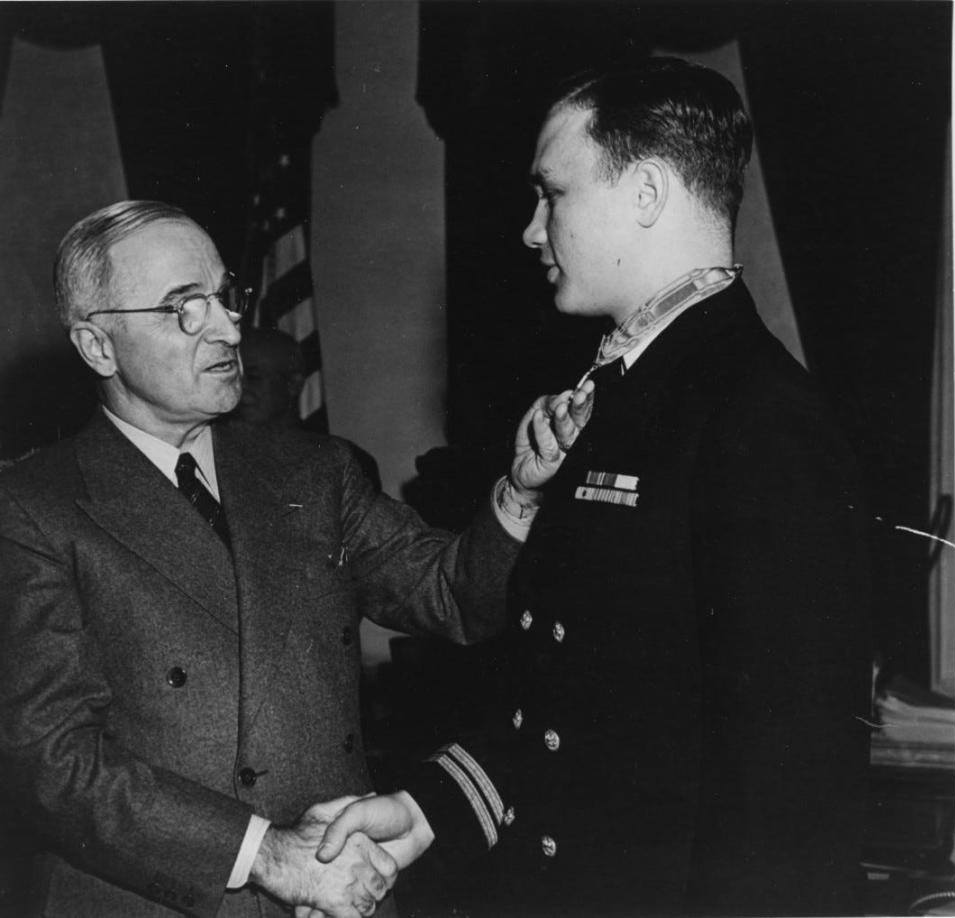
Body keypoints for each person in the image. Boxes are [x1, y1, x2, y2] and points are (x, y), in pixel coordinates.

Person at [317, 57, 873, 917]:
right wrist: (431, 811)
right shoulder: (623, 395)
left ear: (645, 193)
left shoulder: (758, 418)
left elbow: (784, 793)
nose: (531, 232)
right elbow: (583, 707)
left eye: (553, 195)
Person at [0, 200, 593, 918]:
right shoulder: (33, 505)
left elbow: (455, 597)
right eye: (182, 308)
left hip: (336, 894)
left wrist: (520, 494)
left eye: (225, 297)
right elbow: (49, 760)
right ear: (97, 346)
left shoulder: (313, 472)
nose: (226, 329)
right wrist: (267, 856)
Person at [233, 327, 307, 429]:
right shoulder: (216, 441)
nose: (238, 388)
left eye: (252, 377)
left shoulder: (324, 444)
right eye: (233, 379)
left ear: (293, 384)